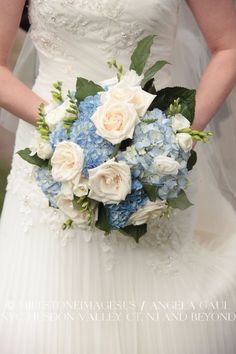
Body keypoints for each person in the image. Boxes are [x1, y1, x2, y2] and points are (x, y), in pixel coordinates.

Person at [0, 0, 236, 353]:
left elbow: (229, 46)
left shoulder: (164, 146)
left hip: (154, 157)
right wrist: (62, 126)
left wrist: (175, 138)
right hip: (53, 152)